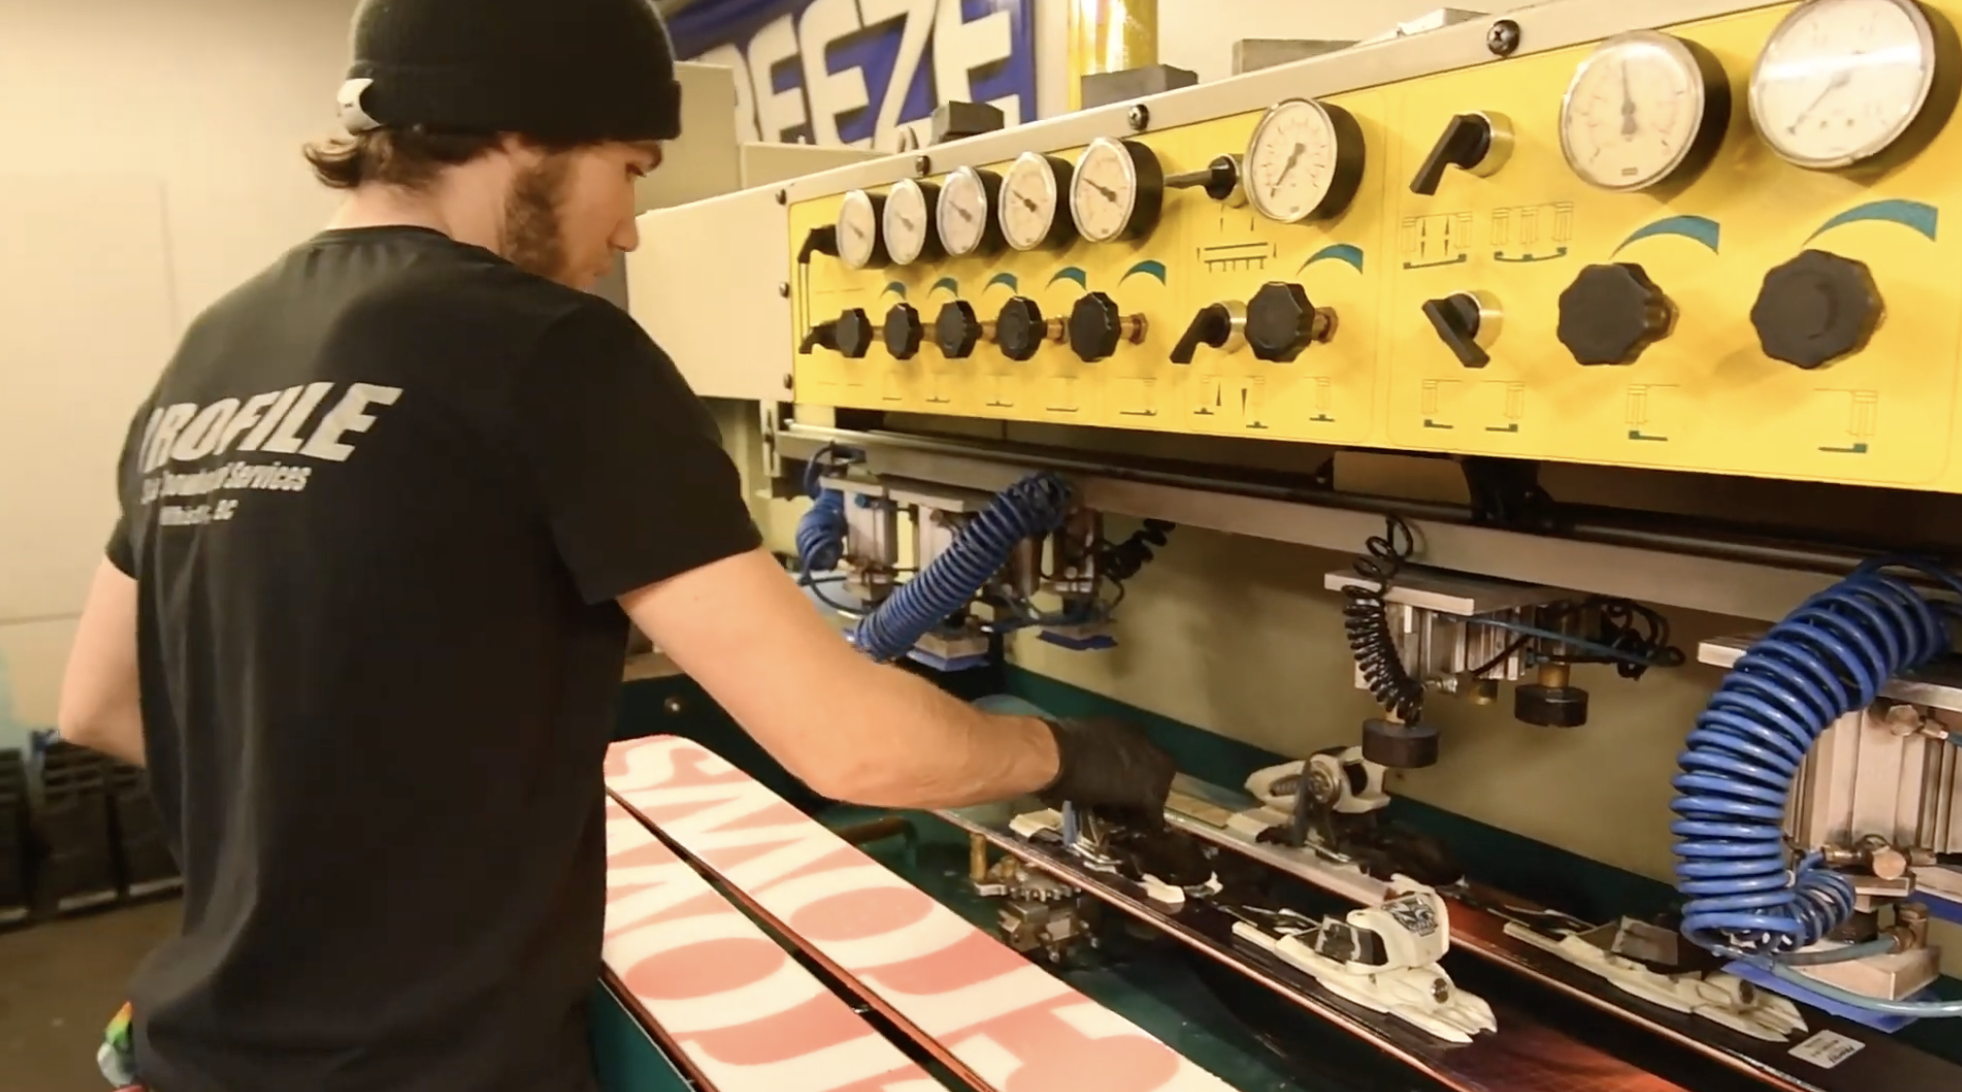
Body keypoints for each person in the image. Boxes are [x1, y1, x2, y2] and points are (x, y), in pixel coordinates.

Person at [53, 0, 1179, 1088]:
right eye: (632, 166)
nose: (631, 224)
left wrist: (329, 806)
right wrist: (1070, 755)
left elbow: (99, 703)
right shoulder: (549, 348)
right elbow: (852, 749)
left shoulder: (218, 341)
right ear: (524, 124)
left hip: (199, 1045)